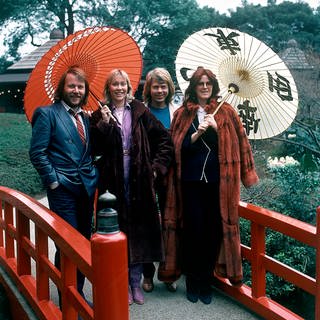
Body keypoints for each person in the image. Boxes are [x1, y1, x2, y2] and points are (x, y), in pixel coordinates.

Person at [162, 66, 259, 305]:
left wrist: (217, 130)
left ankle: (205, 283)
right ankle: (193, 283)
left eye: (207, 83)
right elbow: (176, 148)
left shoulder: (226, 112)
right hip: (190, 183)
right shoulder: (182, 114)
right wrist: (195, 136)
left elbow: (238, 144)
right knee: (193, 232)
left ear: (213, 87)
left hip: (218, 184)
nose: (204, 87)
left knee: (212, 233)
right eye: (199, 84)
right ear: (194, 88)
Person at [89, 69, 174, 305]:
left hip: (139, 181)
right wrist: (104, 126)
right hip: (112, 183)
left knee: (138, 233)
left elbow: (164, 141)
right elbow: (94, 149)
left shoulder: (139, 111)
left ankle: (135, 283)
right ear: (108, 88)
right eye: (114, 84)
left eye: (123, 84)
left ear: (129, 87)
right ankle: (121, 284)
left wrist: (155, 168)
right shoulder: (99, 115)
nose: (119, 88)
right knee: (117, 230)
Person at [29, 66, 98, 302]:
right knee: (67, 244)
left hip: (86, 187)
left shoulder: (85, 118)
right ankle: (69, 297)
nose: (76, 90)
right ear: (62, 88)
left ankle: (76, 291)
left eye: (80, 87)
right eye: (72, 86)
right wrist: (53, 181)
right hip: (63, 189)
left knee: (84, 240)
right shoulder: (47, 114)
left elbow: (90, 150)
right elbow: (37, 152)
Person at [141, 67, 178, 293]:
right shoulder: (140, 112)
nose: (160, 90)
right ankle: (147, 274)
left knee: (170, 223)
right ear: (149, 88)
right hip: (146, 174)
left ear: (169, 88)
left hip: (173, 175)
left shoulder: (178, 111)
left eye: (163, 86)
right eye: (155, 86)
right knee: (147, 223)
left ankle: (170, 271)